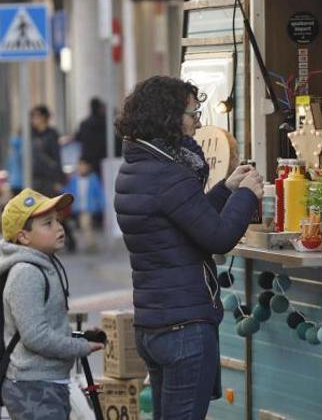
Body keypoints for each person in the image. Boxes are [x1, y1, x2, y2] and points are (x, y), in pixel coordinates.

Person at [114, 76, 264, 419]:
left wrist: (226, 188)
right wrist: (247, 195)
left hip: (153, 325)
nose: (199, 122)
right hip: (185, 328)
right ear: (169, 117)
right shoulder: (170, 175)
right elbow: (218, 237)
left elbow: (185, 221)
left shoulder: (136, 168)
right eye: (193, 113)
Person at [0, 188, 104, 419]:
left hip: (46, 384)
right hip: (33, 387)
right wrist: (79, 347)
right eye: (47, 223)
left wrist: (78, 336)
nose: (59, 227)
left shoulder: (43, 265)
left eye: (58, 220)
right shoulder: (26, 273)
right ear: (23, 237)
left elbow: (47, 326)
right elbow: (35, 336)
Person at [62, 159, 104, 251]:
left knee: (85, 225)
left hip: (88, 207)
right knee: (83, 226)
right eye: (80, 166)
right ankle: (90, 243)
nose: (81, 168)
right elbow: (68, 190)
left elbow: (99, 193)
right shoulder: (74, 179)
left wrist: (101, 205)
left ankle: (90, 244)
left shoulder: (93, 179)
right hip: (76, 207)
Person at [30, 106, 63, 197]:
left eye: (36, 116)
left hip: (49, 179)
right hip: (35, 178)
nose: (33, 119)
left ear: (44, 117)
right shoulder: (32, 135)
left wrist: (58, 180)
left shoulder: (51, 135)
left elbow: (57, 157)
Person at [75, 98, 107, 176]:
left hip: (88, 160)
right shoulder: (105, 122)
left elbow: (78, 137)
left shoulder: (84, 123)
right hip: (102, 158)